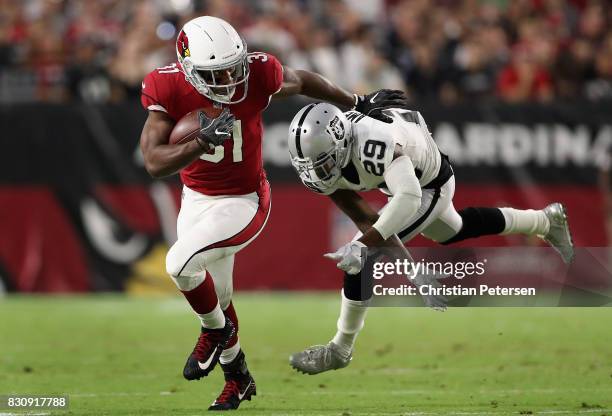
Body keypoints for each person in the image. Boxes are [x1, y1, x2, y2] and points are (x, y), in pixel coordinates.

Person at [139, 16, 405, 411]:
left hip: (244, 200)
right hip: (195, 198)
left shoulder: (257, 73)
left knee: (180, 264)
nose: (230, 78)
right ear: (189, 68)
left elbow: (306, 81)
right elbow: (154, 161)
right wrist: (199, 143)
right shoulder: (166, 85)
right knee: (220, 296)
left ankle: (214, 332)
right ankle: (239, 378)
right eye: (217, 72)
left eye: (234, 66)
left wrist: (357, 103)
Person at [286, 102, 574, 374]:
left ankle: (340, 349)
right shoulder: (329, 160)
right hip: (410, 176)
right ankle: (546, 220)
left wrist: (362, 246)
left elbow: (409, 197)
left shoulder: (372, 144)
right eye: (310, 165)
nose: (316, 173)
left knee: (361, 257)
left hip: (428, 183)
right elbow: (368, 220)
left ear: (340, 142)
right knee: (454, 229)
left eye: (322, 163)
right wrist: (411, 269)